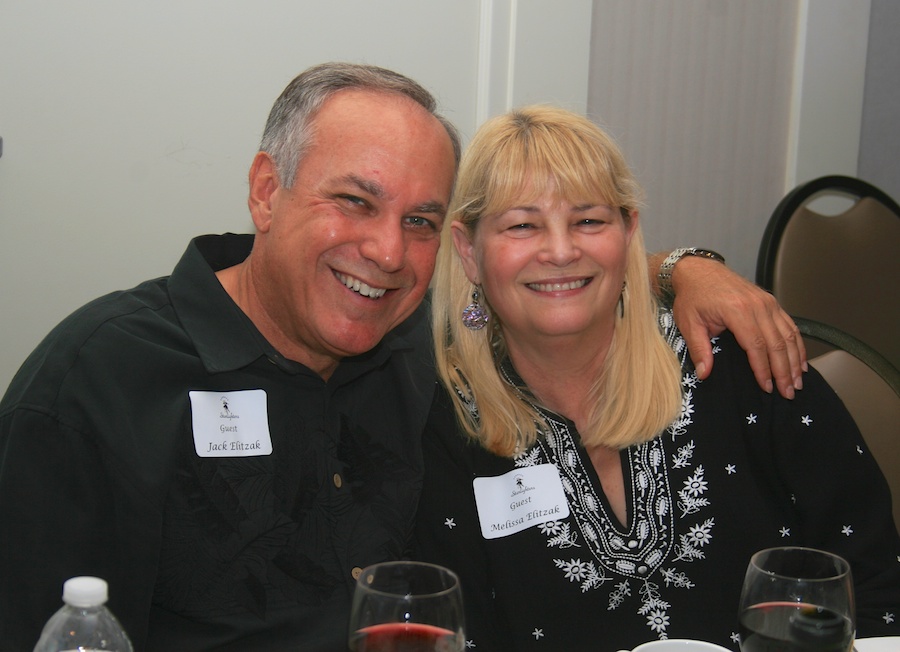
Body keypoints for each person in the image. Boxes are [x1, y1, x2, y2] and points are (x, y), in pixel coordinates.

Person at [0, 63, 804, 651]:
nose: (387, 252)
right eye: (355, 201)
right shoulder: (95, 386)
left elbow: (550, 272)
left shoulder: (422, 344)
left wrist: (680, 269)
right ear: (265, 191)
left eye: (421, 221)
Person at [414, 105, 900, 651]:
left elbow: (876, 592)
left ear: (629, 233)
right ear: (468, 252)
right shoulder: (444, 425)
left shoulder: (735, 368)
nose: (560, 250)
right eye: (522, 226)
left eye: (589, 220)